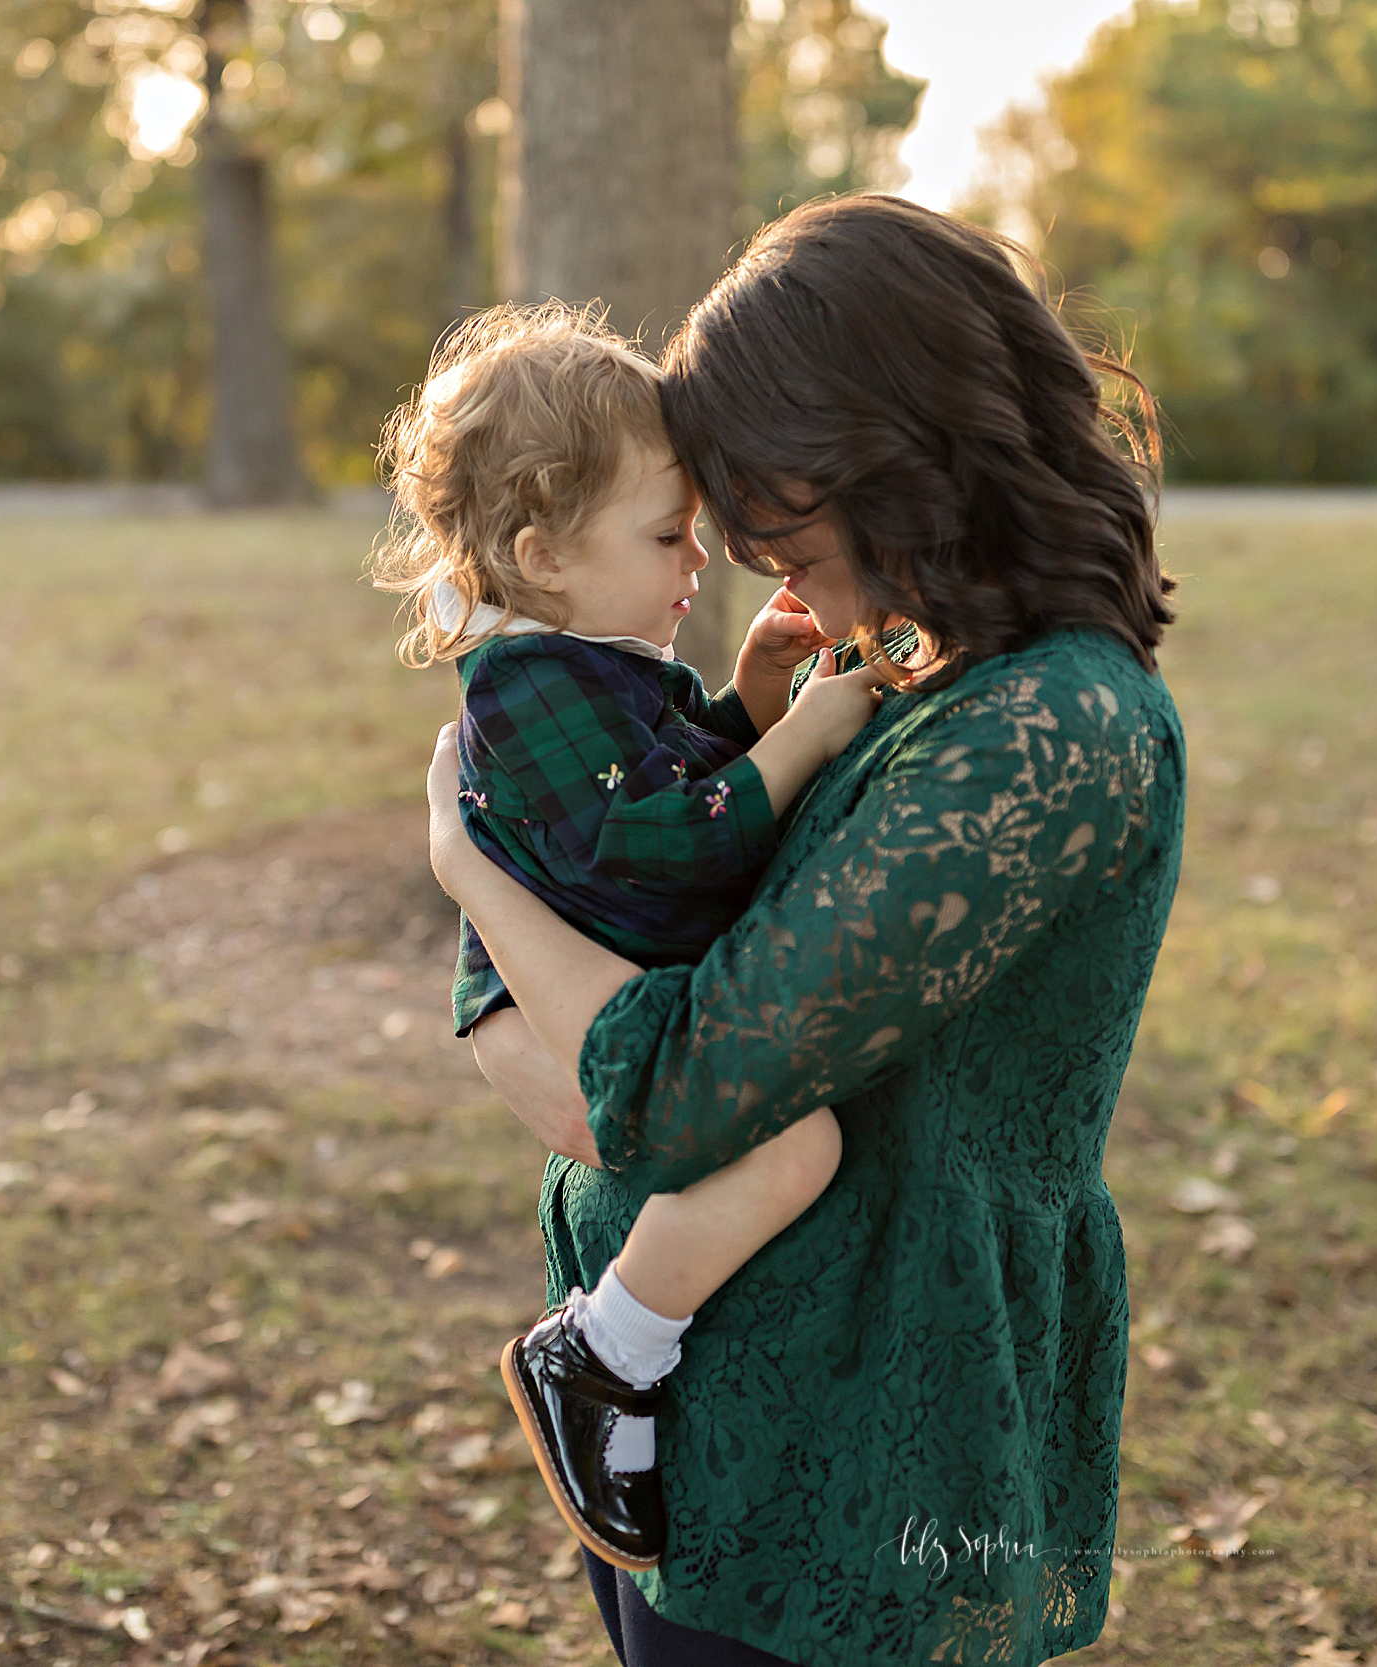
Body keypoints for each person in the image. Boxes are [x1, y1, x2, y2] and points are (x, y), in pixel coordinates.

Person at [427, 194, 1186, 1667]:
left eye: (778, 523)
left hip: (861, 1434)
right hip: (702, 1404)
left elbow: (683, 1083)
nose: (767, 574)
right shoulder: (941, 666)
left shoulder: (1050, 725)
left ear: (892, 460)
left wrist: (474, 876)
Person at [367, 301, 891, 1572]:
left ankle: (621, 1344)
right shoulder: (528, 686)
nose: (697, 562)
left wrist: (754, 699)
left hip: (575, 995)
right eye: (668, 534)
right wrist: (808, 731)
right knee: (786, 1144)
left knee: (780, 1135)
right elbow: (666, 849)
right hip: (542, 1023)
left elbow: (655, 786)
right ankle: (603, 1354)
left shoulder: (583, 663)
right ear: (542, 552)